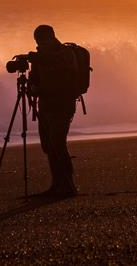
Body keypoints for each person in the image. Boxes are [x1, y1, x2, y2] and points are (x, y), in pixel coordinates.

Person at [29, 24, 79, 197]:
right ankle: (56, 184)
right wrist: (32, 86)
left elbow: (61, 69)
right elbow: (34, 79)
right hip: (45, 106)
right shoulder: (40, 57)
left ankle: (68, 185)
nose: (40, 44)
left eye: (42, 40)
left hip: (62, 105)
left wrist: (38, 59)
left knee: (57, 144)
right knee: (48, 146)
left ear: (52, 38)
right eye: (37, 41)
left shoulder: (65, 53)